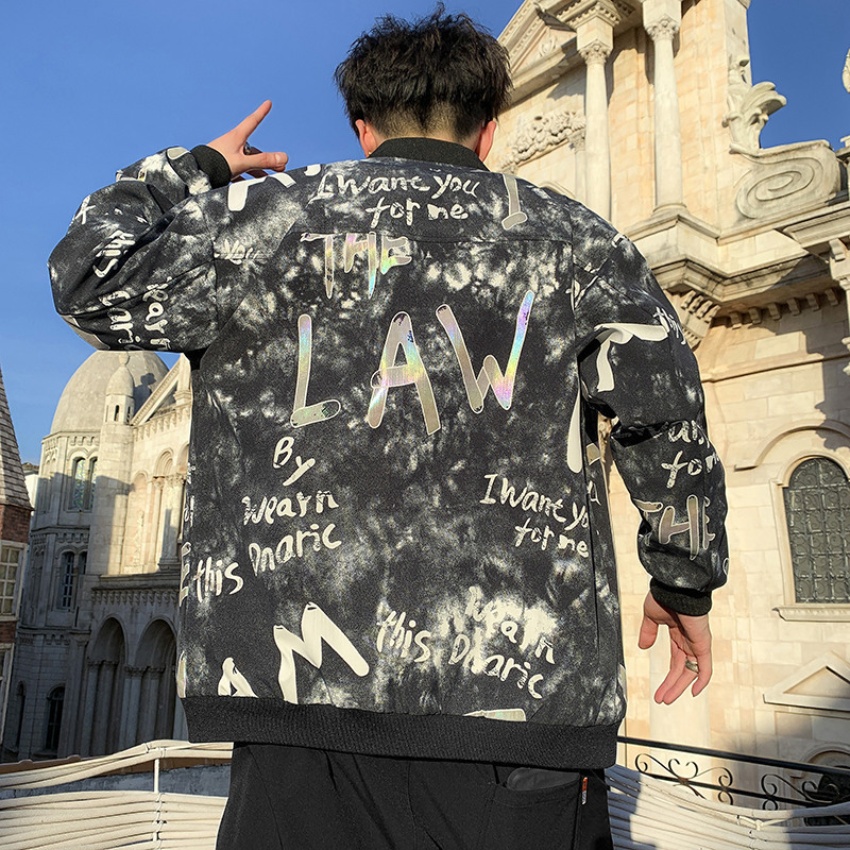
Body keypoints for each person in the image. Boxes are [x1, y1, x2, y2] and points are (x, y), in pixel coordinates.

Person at [49, 6, 728, 848]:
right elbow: (667, 415)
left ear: (362, 129)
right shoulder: (580, 242)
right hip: (522, 715)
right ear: (488, 130)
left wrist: (198, 169)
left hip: (295, 709)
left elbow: (86, 275)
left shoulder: (257, 224)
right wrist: (684, 582)